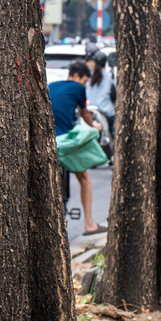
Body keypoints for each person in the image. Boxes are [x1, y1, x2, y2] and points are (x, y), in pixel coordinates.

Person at [48, 60, 104, 235]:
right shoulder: (78, 88)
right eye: (85, 81)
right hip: (64, 141)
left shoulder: (52, 85)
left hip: (49, 141)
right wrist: (94, 127)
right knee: (85, 178)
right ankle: (89, 224)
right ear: (78, 76)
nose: (85, 84)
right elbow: (84, 112)